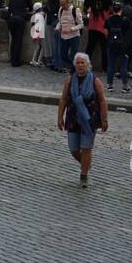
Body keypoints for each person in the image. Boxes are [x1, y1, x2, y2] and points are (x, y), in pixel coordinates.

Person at [58, 51, 107, 188]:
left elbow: (102, 101)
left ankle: (84, 175)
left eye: (82, 63)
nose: (80, 65)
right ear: (75, 65)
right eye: (78, 63)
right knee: (74, 149)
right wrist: (60, 117)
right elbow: (63, 99)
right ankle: (86, 164)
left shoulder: (94, 81)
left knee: (86, 148)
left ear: (88, 65)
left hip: (89, 120)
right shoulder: (70, 79)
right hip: (73, 118)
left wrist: (104, 119)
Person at [6, 0, 32, 67]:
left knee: (13, 40)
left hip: (11, 18)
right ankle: (15, 61)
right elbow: (31, 7)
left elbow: (9, 6)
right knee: (18, 41)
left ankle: (12, 58)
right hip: (20, 19)